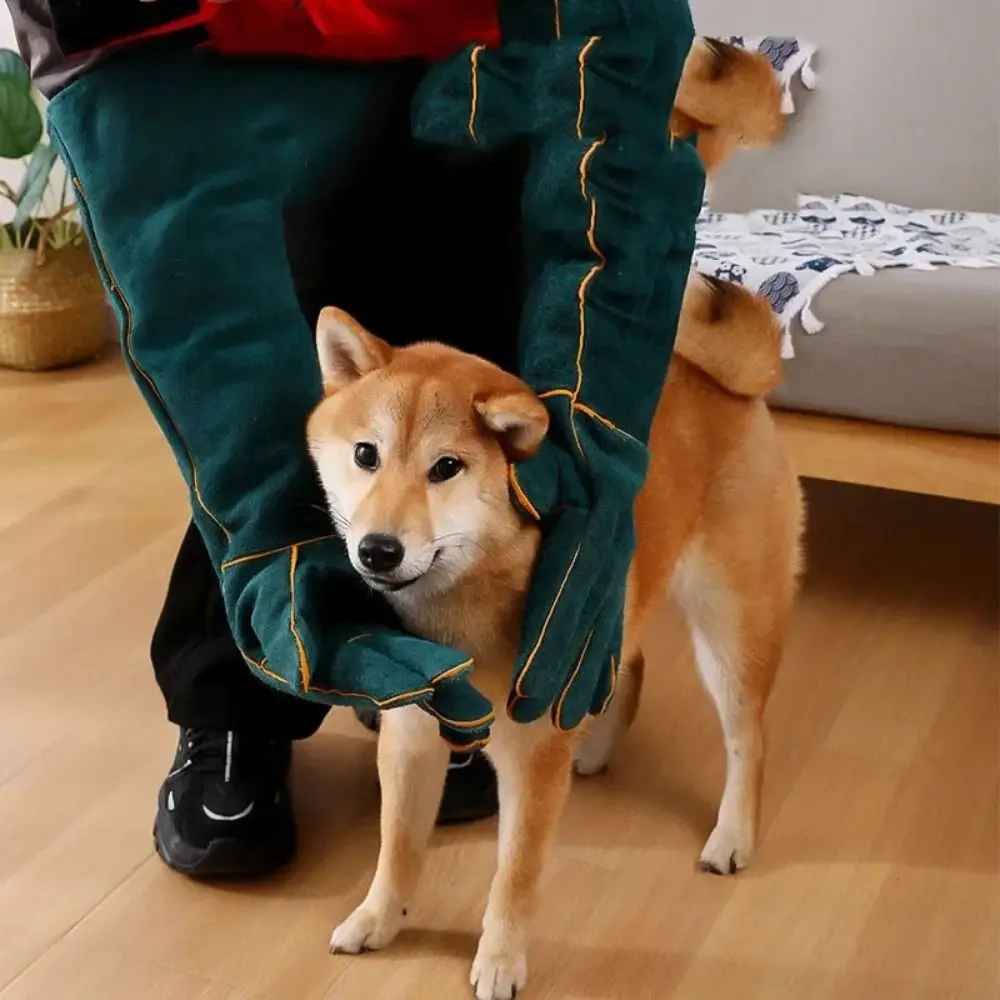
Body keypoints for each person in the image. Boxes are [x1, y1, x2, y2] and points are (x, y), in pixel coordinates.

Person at [6, 0, 703, 878]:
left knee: (459, 345)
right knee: (291, 414)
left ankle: (443, 674)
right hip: (204, 46)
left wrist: (603, 402)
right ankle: (238, 699)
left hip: (480, 32)